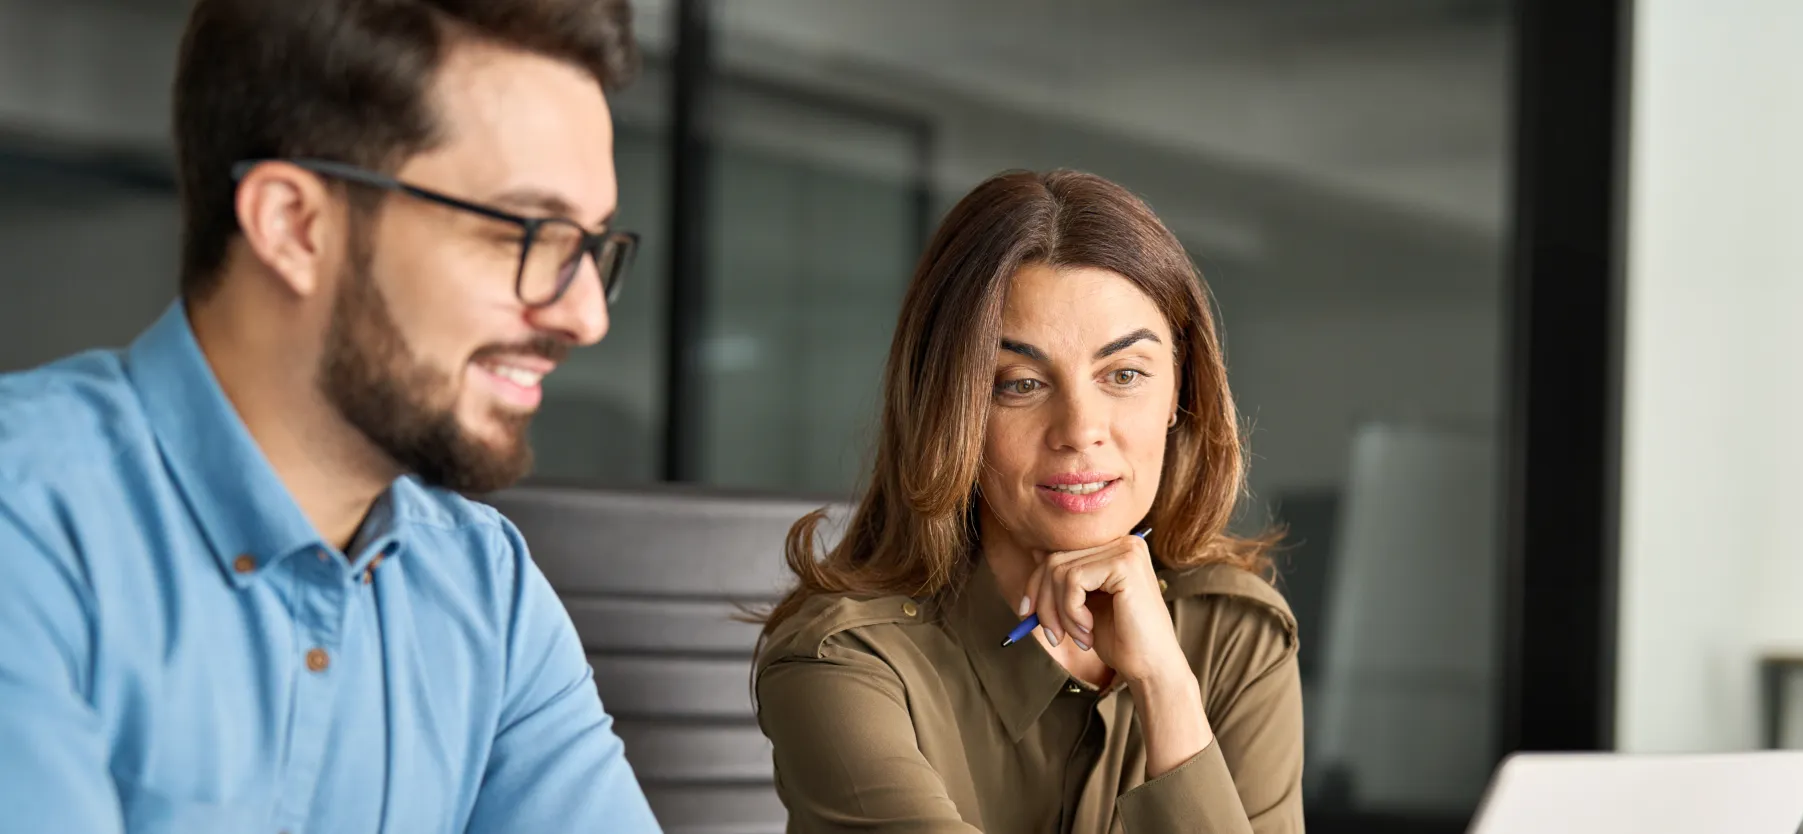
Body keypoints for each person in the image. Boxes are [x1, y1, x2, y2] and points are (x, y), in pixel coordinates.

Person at [0, 1, 661, 831]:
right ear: (295, 226)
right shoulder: (26, 528)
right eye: (527, 234)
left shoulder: (486, 588)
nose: (586, 317)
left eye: (591, 246)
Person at [753, 170, 1305, 833]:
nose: (1079, 430)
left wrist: (1167, 687)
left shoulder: (1235, 633)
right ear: (950, 406)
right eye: (1020, 384)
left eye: (1124, 375)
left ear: (1180, 388)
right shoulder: (842, 664)